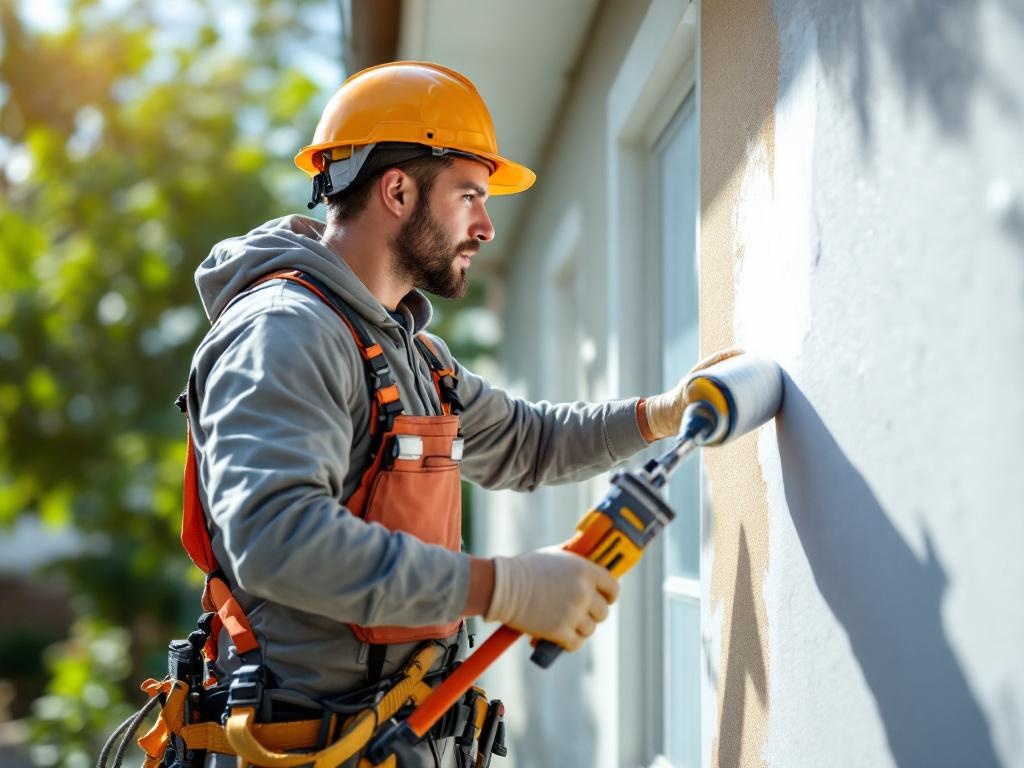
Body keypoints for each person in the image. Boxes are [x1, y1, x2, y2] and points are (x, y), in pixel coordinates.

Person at [186, 61, 715, 767]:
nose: (488, 226)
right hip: (302, 748)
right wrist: (501, 586)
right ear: (398, 190)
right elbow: (278, 536)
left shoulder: (413, 352)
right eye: (470, 195)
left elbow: (530, 442)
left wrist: (661, 412)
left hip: (391, 741)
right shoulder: (286, 330)